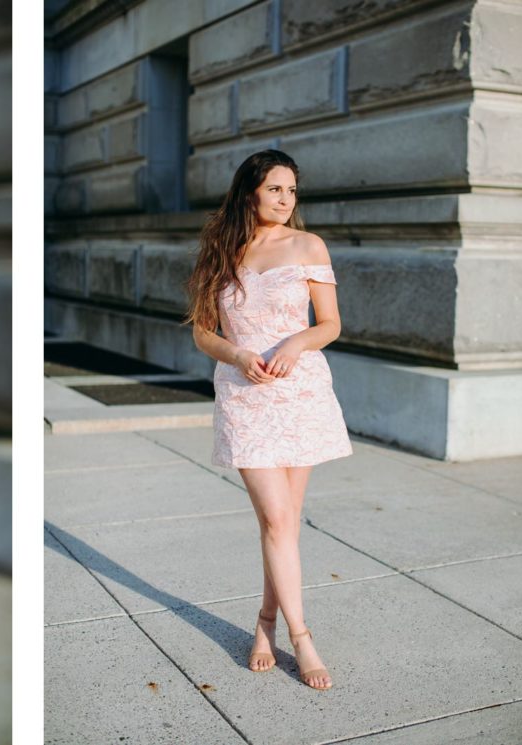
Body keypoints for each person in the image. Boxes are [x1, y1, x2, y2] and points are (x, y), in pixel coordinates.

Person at [186, 149, 352, 691]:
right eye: (276, 189)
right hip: (243, 395)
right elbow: (203, 333)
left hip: (299, 393)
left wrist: (295, 342)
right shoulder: (221, 249)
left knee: (280, 524)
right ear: (250, 191)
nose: (286, 200)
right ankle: (302, 638)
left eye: (292, 191)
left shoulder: (308, 245)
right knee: (278, 521)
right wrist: (236, 356)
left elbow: (329, 324)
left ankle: (265, 624)